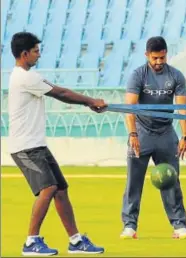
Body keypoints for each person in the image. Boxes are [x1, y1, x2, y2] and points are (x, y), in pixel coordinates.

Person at [8, 32, 105, 256]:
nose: (38, 54)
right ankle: (31, 242)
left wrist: (89, 103)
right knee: (48, 188)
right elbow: (60, 92)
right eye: (35, 51)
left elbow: (59, 91)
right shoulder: (25, 77)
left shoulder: (27, 76)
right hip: (24, 148)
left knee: (60, 190)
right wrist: (91, 101)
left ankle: (76, 241)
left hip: (37, 145)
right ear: (24, 54)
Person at [121, 36, 186, 239]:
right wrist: (133, 134)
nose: (159, 62)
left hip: (166, 133)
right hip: (141, 133)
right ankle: (129, 225)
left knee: (171, 180)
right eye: (155, 58)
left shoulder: (176, 76)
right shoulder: (138, 75)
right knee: (134, 182)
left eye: (162, 58)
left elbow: (182, 108)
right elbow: (130, 107)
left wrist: (185, 136)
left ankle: (179, 225)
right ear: (147, 55)